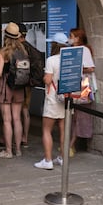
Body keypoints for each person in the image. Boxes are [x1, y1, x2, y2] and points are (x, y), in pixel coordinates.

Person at [34, 32, 69, 170]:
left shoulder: (52, 60)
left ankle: (48, 160)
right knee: (64, 130)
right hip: (66, 98)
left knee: (47, 130)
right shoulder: (69, 59)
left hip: (53, 98)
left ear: (54, 44)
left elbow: (48, 80)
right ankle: (63, 158)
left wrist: (44, 78)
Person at [0, 22, 25, 158]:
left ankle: (8, 151)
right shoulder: (23, 51)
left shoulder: (3, 51)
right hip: (19, 86)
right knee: (17, 119)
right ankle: (18, 149)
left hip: (6, 86)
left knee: (7, 120)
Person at [68, 28, 96, 157]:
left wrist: (78, 67)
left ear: (78, 38)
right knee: (73, 116)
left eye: (72, 36)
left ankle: (72, 144)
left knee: (79, 117)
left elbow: (90, 68)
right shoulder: (72, 49)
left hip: (82, 85)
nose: (70, 38)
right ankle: (70, 143)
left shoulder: (84, 50)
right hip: (74, 84)